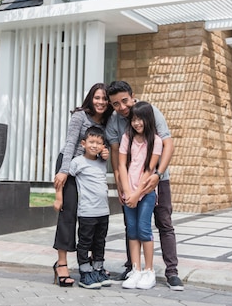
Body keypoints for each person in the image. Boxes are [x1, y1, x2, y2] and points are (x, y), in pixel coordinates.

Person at [105, 81, 184, 291]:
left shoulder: (150, 111)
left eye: (124, 101)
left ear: (132, 96)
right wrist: (121, 186)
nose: (121, 107)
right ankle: (134, 267)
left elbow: (167, 143)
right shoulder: (114, 122)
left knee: (163, 222)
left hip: (156, 179)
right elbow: (116, 155)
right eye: (115, 104)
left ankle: (171, 271)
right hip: (129, 182)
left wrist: (158, 175)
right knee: (132, 225)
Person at [52, 83, 113, 287]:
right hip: (70, 165)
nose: (101, 102)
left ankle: (93, 266)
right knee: (68, 215)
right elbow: (70, 143)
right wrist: (63, 171)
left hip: (90, 168)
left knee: (92, 220)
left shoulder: (107, 121)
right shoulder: (79, 116)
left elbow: (102, 147)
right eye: (97, 98)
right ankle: (61, 264)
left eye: (104, 99)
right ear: (90, 98)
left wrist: (105, 155)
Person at [118, 101, 162, 290]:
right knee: (132, 231)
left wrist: (137, 193)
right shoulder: (127, 137)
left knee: (144, 230)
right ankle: (135, 270)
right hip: (128, 192)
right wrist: (127, 192)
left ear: (148, 119)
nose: (137, 123)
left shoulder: (156, 141)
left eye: (140, 119)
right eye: (134, 119)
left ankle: (149, 271)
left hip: (146, 193)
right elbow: (121, 165)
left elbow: (149, 169)